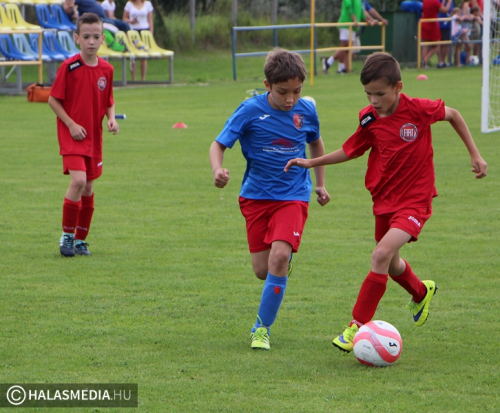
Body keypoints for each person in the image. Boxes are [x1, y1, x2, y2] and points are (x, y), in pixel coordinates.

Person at [284, 52, 487, 353]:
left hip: (415, 201)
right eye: (368, 94)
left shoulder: (418, 109)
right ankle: (421, 292)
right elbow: (351, 150)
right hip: (384, 201)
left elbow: (454, 115)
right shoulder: (369, 118)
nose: (374, 100)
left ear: (398, 87)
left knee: (380, 255)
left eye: (380, 94)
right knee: (391, 264)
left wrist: (475, 154)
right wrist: (311, 162)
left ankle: (356, 325)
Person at [209, 48, 331, 350]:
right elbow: (218, 144)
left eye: (297, 91)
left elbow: (316, 145)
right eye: (282, 92)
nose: (290, 99)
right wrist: (217, 169)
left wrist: (319, 184)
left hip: (293, 195)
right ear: (267, 85)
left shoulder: (306, 111)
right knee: (262, 270)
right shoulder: (250, 110)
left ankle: (261, 329)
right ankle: (282, 259)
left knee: (278, 258)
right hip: (256, 197)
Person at [48, 12, 119, 257]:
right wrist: (71, 125)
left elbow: (109, 100)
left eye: (96, 37)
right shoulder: (69, 67)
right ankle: (67, 235)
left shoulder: (107, 69)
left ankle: (80, 240)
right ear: (77, 38)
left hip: (93, 137)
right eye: (86, 36)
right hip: (72, 135)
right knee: (78, 181)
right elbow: (53, 100)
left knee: (88, 188)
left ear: (102, 39)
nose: (91, 41)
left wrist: (111, 119)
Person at [321, 0, 365, 74]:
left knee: (347, 48)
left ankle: (329, 63)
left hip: (352, 27)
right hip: (345, 25)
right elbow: (348, 6)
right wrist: (354, 20)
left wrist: (370, 20)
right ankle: (340, 68)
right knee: (344, 46)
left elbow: (361, 11)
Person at [123, 0, 154, 81]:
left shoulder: (148, 4)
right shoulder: (129, 4)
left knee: (143, 56)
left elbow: (150, 20)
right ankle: (133, 79)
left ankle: (143, 79)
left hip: (144, 31)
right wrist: (130, 21)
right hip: (133, 32)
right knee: (133, 56)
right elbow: (124, 18)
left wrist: (150, 34)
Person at [421, 0, 453, 68]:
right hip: (432, 24)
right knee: (437, 45)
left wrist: (443, 2)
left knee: (426, 45)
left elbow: (437, 9)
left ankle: (424, 64)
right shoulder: (435, 2)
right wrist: (449, 2)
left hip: (424, 23)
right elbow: (445, 10)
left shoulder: (425, 1)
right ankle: (425, 60)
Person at [437, 0, 454, 68]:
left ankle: (447, 61)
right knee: (442, 44)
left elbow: (451, 11)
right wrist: (446, 2)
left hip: (448, 25)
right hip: (442, 24)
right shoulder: (440, 1)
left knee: (447, 44)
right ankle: (441, 61)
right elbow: (444, 10)